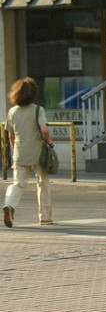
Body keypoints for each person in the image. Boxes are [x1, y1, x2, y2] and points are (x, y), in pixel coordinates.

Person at [3, 77, 54, 227]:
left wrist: (14, 150)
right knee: (43, 183)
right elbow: (44, 129)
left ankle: (9, 205)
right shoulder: (38, 109)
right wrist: (49, 141)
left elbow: (10, 135)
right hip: (38, 151)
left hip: (20, 151)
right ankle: (45, 217)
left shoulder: (12, 111)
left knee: (18, 183)